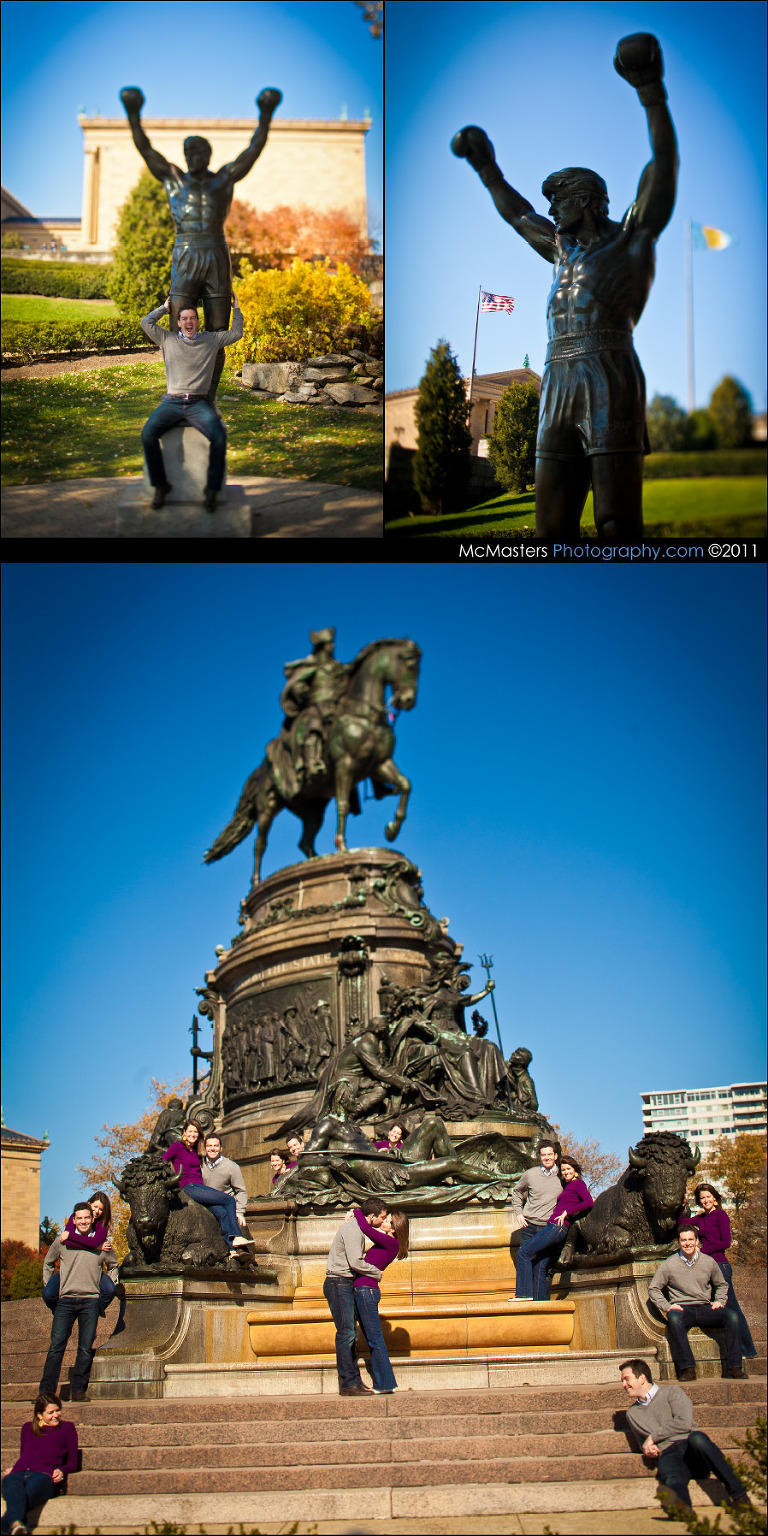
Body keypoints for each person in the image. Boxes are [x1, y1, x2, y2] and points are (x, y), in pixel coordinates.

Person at [452, 33, 678, 540]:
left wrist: (650, 90)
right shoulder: (560, 250)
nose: (551, 210)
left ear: (589, 200)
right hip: (557, 377)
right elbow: (518, 215)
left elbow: (662, 168)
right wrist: (486, 167)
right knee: (550, 530)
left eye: (560, 200)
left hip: (608, 372)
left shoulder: (633, 237)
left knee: (617, 523)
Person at [120, 83, 281, 403]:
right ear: (185, 156)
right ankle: (180, 390)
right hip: (185, 252)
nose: (194, 157)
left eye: (200, 152)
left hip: (216, 254)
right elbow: (145, 149)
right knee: (178, 326)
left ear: (208, 155)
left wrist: (265, 116)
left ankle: (209, 395)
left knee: (219, 330)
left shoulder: (223, 178)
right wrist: (134, 115)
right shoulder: (173, 178)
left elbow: (252, 151)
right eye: (189, 152)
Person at [139, 292, 243, 512]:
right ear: (178, 323)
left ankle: (212, 489)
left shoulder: (211, 340)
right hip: (172, 402)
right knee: (148, 435)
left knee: (219, 437)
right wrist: (164, 308)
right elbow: (145, 322)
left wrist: (236, 308)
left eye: (192, 318)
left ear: (198, 321)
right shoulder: (167, 339)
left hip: (198, 404)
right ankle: (161, 486)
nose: (188, 322)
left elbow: (236, 333)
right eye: (184, 318)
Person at [619, 1358, 751, 1517]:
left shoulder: (672, 1393)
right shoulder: (632, 1413)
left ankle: (740, 1497)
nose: (623, 1385)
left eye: (626, 1379)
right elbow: (643, 1443)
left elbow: (685, 1422)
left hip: (692, 1449)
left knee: (699, 1439)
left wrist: (653, 1436)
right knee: (670, 1472)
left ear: (642, 1378)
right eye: (622, 1381)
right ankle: (681, 1508)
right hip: (668, 1452)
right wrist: (648, 1449)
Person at [39, 1203, 119, 1402]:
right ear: (73, 1220)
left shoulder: (102, 1243)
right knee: (56, 1346)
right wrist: (49, 1285)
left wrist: (112, 1283)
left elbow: (114, 1264)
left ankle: (78, 1390)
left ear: (92, 1219)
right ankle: (46, 1392)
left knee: (85, 1348)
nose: (83, 1221)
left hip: (90, 1301)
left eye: (86, 1218)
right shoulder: (62, 1241)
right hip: (65, 1301)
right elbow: (48, 1262)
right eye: (79, 1218)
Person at [648, 1223, 744, 1380]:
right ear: (679, 1242)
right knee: (673, 1319)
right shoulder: (669, 1264)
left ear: (697, 1241)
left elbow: (721, 1284)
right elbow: (653, 1289)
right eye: (684, 1240)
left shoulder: (708, 1262)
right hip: (683, 1309)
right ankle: (688, 1369)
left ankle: (734, 1367)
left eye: (691, 1239)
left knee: (732, 1316)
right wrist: (667, 1306)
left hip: (705, 1308)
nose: (687, 1243)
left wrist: (719, 1300)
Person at [685, 1184, 756, 1362]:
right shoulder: (700, 1218)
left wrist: (702, 1250)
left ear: (715, 1197)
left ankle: (747, 1349)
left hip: (720, 1267)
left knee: (732, 1308)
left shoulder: (721, 1215)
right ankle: (732, 1348)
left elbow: (726, 1242)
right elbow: (681, 1223)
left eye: (708, 1197)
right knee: (718, 1309)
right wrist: (683, 1202)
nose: (705, 1200)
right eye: (702, 1198)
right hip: (706, 1269)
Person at [323, 1198, 386, 1396]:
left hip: (343, 1282)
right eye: (382, 1218)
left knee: (351, 1334)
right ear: (372, 1216)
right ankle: (348, 1383)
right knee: (346, 1333)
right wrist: (376, 1273)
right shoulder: (353, 1229)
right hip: (338, 1282)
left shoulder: (357, 1227)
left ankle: (354, 1380)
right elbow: (355, 1262)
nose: (383, 1222)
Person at [161, 1121, 253, 1252]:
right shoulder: (177, 1147)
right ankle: (237, 1235)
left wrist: (240, 1213)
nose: (193, 1134)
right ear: (184, 1133)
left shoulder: (196, 1152)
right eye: (190, 1131)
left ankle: (233, 1249)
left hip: (199, 1188)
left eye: (195, 1132)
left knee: (221, 1213)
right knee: (229, 1200)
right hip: (188, 1186)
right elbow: (163, 1162)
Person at [513, 1154, 594, 1301]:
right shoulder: (568, 1186)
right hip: (553, 1227)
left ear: (575, 1170)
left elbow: (589, 1202)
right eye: (563, 1170)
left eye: (568, 1169)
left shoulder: (578, 1184)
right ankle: (540, 1304)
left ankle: (524, 1294)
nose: (565, 1172)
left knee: (524, 1252)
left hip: (557, 1227)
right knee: (540, 1266)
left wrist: (567, 1212)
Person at [350, 1206, 409, 1394]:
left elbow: (367, 1229)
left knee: (375, 1339)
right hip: (363, 1290)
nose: (383, 1222)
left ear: (394, 1228)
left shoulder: (391, 1243)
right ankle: (384, 1382)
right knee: (371, 1338)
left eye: (387, 1220)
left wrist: (358, 1211)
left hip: (366, 1291)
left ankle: (385, 1384)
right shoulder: (388, 1242)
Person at [1, 1392, 78, 1535]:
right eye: (51, 1412)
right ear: (39, 1415)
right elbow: (25, 1455)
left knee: (24, 1496)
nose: (56, 1415)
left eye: (58, 1410)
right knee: (12, 1482)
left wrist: (62, 1470)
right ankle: (17, 1525)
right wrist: (16, 1467)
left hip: (43, 1475)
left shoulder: (67, 1428)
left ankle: (14, 1524)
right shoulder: (27, 1428)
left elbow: (73, 1463)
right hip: (17, 1473)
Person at [42, 1192, 120, 1320]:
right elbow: (66, 1241)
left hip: (93, 1273)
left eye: (101, 1209)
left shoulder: (102, 1225)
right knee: (48, 1294)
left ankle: (95, 1311)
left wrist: (87, 1242)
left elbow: (88, 1241)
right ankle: (60, 1313)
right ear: (89, 1204)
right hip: (69, 1273)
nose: (97, 1211)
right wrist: (94, 1246)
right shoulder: (76, 1216)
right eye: (95, 1207)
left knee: (110, 1289)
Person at [510, 1140, 563, 1297]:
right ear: (539, 1157)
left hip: (549, 1228)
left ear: (555, 1156)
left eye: (549, 1154)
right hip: (530, 1226)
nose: (547, 1158)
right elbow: (517, 1191)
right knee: (526, 1259)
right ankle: (525, 1298)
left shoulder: (562, 1175)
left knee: (541, 1267)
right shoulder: (530, 1174)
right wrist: (519, 1213)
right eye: (543, 1155)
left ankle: (538, 1304)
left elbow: (574, 1195)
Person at [201, 1134, 248, 1232]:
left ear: (221, 1148)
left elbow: (241, 1191)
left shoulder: (232, 1167)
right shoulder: (199, 1165)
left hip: (225, 1209)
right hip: (204, 1208)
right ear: (205, 1148)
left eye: (216, 1146)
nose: (212, 1149)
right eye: (209, 1146)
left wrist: (239, 1212)